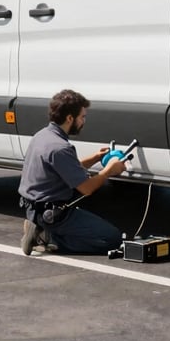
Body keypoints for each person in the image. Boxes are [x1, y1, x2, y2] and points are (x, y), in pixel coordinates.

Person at [18, 89, 128, 255]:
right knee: (112, 239)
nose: (84, 121)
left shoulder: (42, 136)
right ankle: (48, 237)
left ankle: (39, 228)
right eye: (82, 117)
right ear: (70, 118)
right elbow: (86, 188)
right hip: (54, 215)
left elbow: (64, 169)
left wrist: (96, 158)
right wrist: (108, 171)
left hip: (34, 208)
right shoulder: (60, 148)